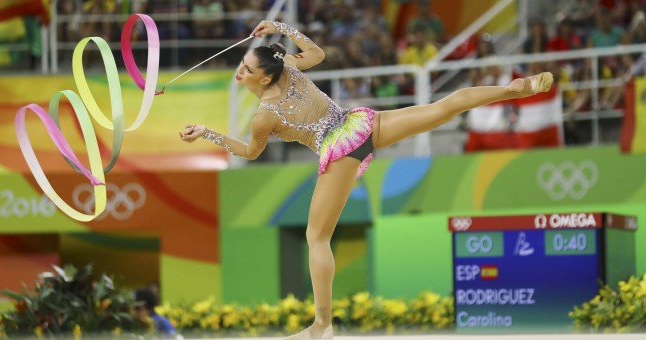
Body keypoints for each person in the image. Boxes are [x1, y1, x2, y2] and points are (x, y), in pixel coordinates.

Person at [179, 20, 553, 339]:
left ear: (263, 75)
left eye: (245, 67)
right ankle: (511, 89)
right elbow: (318, 55)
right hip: (362, 124)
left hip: (339, 148)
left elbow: (249, 152)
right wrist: (280, 29)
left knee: (316, 236)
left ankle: (322, 324)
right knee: (442, 108)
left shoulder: (264, 116)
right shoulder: (289, 69)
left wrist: (208, 133)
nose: (239, 72)